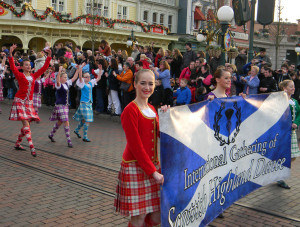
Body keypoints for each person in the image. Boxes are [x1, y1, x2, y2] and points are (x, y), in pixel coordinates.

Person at [114, 69, 168, 227]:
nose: (147, 87)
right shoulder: (130, 110)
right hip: (135, 167)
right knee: (139, 217)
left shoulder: (152, 109)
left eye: (150, 84)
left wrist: (167, 117)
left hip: (152, 166)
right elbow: (135, 145)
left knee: (157, 215)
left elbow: (162, 136)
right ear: (135, 84)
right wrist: (153, 172)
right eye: (143, 83)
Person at [8, 44, 52, 157]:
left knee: (27, 125)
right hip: (20, 101)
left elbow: (44, 68)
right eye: (26, 65)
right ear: (22, 67)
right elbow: (12, 67)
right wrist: (11, 54)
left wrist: (49, 57)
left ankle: (18, 143)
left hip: (28, 102)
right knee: (26, 123)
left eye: (29, 64)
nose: (28, 66)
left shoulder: (33, 76)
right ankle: (32, 147)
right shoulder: (19, 75)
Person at [48, 65, 81, 147]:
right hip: (60, 105)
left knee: (60, 121)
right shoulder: (58, 85)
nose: (66, 78)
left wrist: (78, 69)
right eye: (64, 77)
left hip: (65, 106)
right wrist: (59, 71)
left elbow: (74, 77)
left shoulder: (67, 83)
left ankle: (51, 134)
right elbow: (58, 80)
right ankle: (69, 141)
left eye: (66, 77)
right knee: (66, 121)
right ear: (61, 78)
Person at [277, 80, 300, 189]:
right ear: (284, 88)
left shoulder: (294, 101)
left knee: (293, 156)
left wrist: (296, 122)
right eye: (291, 87)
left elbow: (299, 113)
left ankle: (279, 172)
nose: (293, 89)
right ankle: (281, 176)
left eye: (294, 87)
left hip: (292, 132)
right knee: (285, 154)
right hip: (283, 132)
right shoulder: (281, 100)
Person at [73, 69, 101, 142]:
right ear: (83, 78)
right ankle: (85, 136)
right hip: (84, 103)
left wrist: (100, 70)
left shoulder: (91, 83)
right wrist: (80, 69)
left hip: (89, 104)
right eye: (86, 77)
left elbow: (98, 78)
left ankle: (76, 130)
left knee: (84, 119)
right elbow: (79, 77)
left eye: (89, 77)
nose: (88, 78)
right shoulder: (82, 84)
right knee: (87, 120)